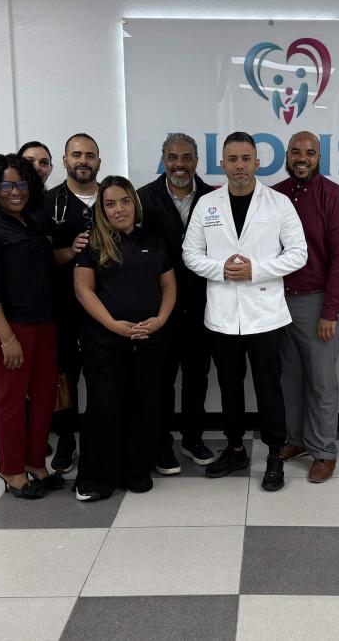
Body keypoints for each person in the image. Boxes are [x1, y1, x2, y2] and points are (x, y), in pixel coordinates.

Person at [182, 131, 307, 492]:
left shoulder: (278, 203)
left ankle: (273, 455)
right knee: (229, 386)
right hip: (222, 314)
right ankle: (235, 448)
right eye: (232, 159)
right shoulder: (207, 203)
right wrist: (221, 269)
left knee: (269, 388)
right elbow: (191, 254)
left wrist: (256, 270)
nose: (239, 166)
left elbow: (298, 253)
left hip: (265, 313)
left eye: (245, 159)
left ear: (257, 162)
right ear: (222, 163)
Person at [73, 176, 176, 500]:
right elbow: (83, 289)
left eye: (125, 201)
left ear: (135, 202)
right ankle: (95, 480)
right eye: (111, 204)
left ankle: (136, 472)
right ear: (102, 210)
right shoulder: (92, 242)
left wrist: (160, 320)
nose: (119, 209)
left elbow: (169, 286)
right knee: (105, 408)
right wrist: (113, 324)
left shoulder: (154, 239)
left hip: (148, 341)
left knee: (144, 407)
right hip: (105, 343)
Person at [0, 153, 62, 499]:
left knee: (43, 397)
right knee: (9, 400)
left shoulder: (29, 222)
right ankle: (11, 470)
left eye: (21, 183)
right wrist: (6, 338)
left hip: (43, 323)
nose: (15, 191)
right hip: (9, 328)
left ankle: (37, 463)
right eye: (6, 185)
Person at [271, 131, 339, 482]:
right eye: (295, 151)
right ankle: (297, 440)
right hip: (280, 303)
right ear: (287, 155)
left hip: (320, 303)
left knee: (321, 382)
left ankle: (324, 451)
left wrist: (330, 312)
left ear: (319, 157)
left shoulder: (335, 197)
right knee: (289, 379)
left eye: (309, 152)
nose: (302, 157)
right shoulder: (274, 196)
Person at [136, 133, 217, 475]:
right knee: (162, 379)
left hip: (203, 304)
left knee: (197, 376)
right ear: (163, 159)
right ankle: (162, 444)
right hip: (160, 307)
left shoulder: (215, 198)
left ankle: (192, 438)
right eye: (173, 157)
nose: (179, 164)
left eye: (186, 158)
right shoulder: (142, 198)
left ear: (196, 161)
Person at [39, 133, 99, 474]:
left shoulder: (111, 198)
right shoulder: (48, 203)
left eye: (90, 155)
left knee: (102, 375)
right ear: (64, 160)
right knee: (63, 376)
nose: (83, 160)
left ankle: (99, 439)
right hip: (61, 306)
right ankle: (65, 440)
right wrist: (70, 251)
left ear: (98, 162)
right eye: (76, 154)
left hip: (105, 308)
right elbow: (36, 257)